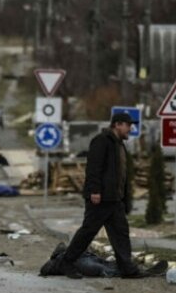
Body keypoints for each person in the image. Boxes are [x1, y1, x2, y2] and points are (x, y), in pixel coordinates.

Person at [53, 111, 139, 279]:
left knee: (121, 233)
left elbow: (121, 175)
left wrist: (125, 198)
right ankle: (66, 262)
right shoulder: (101, 141)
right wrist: (95, 191)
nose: (130, 128)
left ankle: (127, 268)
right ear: (118, 124)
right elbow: (93, 168)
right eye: (128, 125)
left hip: (114, 199)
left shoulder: (119, 144)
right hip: (100, 198)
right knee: (88, 232)